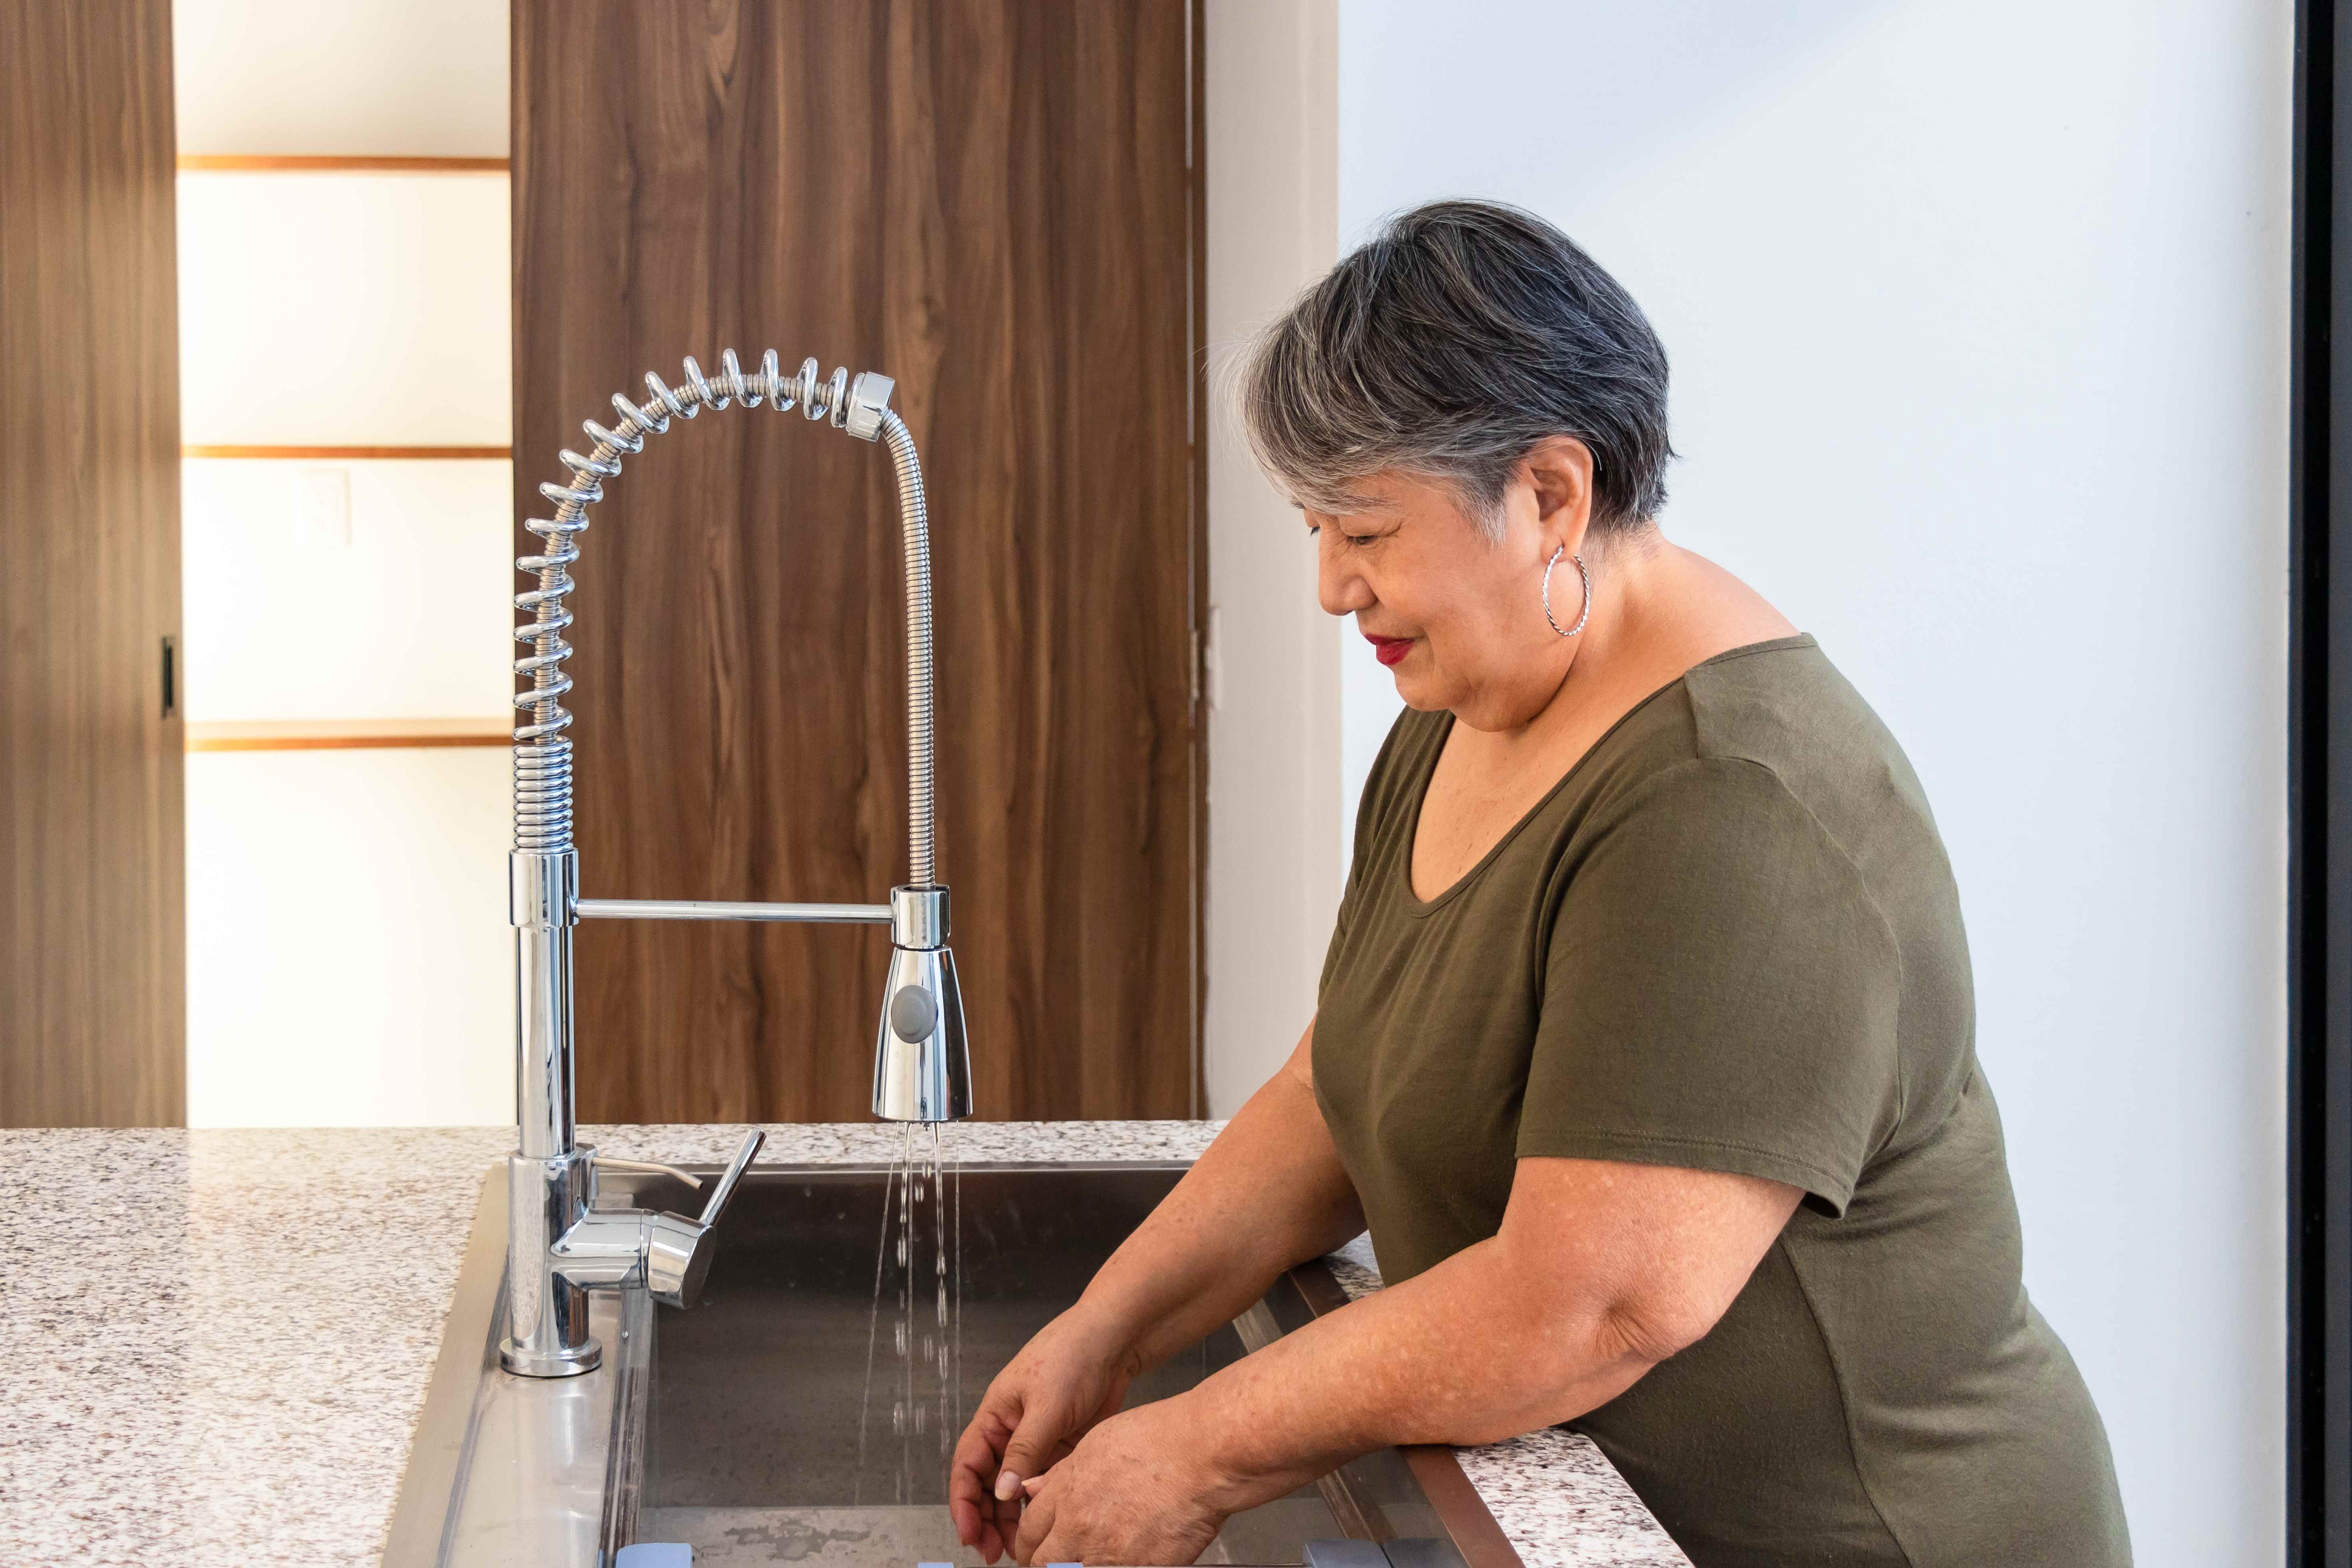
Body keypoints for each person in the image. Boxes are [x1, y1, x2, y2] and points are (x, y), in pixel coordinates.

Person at [948, 199, 2131, 1568]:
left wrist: (1197, 1445)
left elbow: (1592, 1302)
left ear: (1551, 494)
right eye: (1315, 530)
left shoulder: (1731, 800)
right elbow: (1340, 1087)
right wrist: (1105, 1331)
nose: (1334, 586)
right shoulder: (1460, 716)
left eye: (1369, 532)